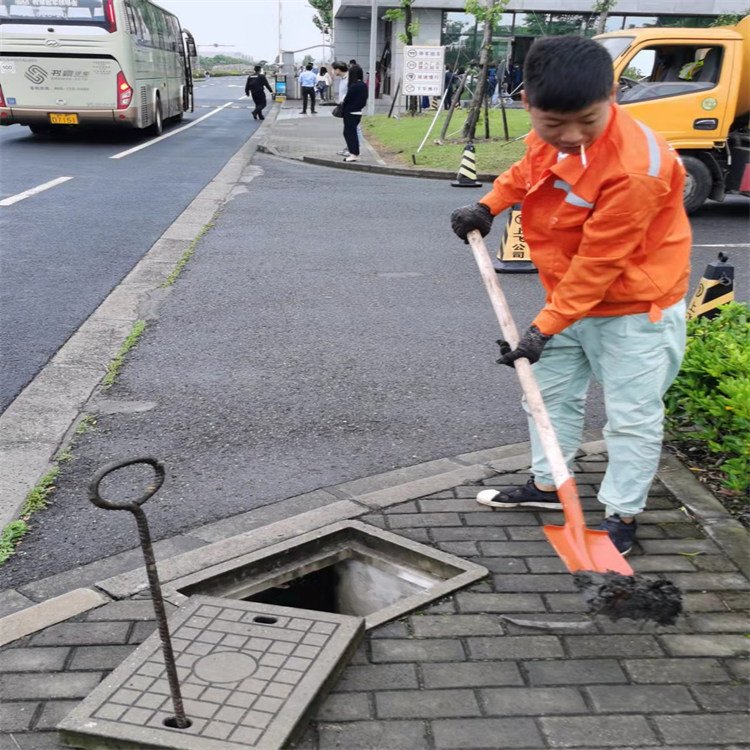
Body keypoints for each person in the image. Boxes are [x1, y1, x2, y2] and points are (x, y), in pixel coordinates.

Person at [450, 35, 690, 556]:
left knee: (631, 417)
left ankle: (622, 515)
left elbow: (599, 266)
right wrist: (488, 206)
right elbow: (527, 172)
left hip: (634, 310)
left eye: (587, 121)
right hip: (569, 303)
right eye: (553, 125)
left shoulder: (636, 168)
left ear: (613, 97)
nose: (571, 137)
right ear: (528, 104)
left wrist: (542, 329)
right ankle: (548, 485)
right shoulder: (550, 135)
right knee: (548, 397)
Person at [340, 64, 367, 162]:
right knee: (352, 132)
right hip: (358, 112)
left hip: (350, 113)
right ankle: (355, 153)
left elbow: (347, 99)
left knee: (349, 133)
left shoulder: (353, 86)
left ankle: (354, 153)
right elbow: (364, 101)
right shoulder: (363, 85)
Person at [332, 61, 350, 156]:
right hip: (344, 107)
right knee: (347, 130)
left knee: (354, 129)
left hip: (349, 107)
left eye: (334, 69)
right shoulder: (343, 78)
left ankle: (352, 149)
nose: (333, 71)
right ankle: (349, 147)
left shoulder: (349, 79)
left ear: (338, 69)